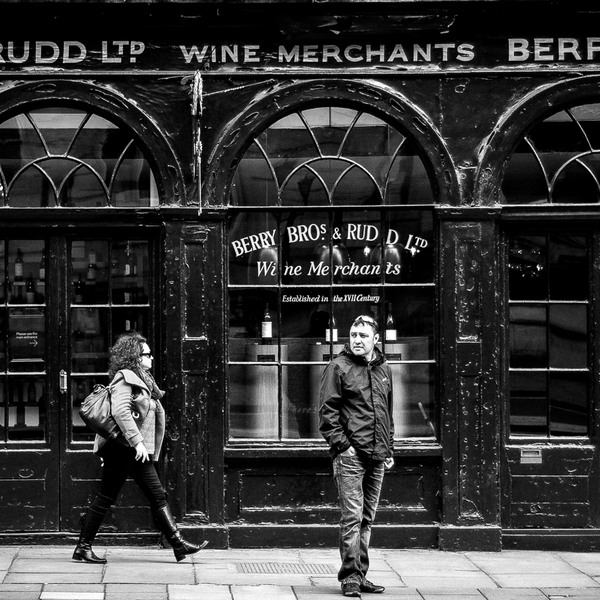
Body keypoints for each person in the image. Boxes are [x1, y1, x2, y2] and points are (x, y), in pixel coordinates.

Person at [73, 331, 207, 564]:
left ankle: (178, 545)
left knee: (157, 495)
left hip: (136, 450)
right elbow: (120, 411)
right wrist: (137, 442)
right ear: (135, 357)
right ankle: (83, 547)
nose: (151, 358)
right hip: (123, 448)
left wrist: (139, 445)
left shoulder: (143, 379)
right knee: (106, 497)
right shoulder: (125, 378)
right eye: (147, 354)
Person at [319, 315, 394, 598]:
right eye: (353, 335)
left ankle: (360, 575)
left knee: (367, 519)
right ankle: (350, 577)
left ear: (376, 339)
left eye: (363, 335)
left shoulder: (384, 368)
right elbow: (327, 414)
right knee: (351, 518)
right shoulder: (338, 367)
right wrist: (343, 446)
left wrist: (389, 448)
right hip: (351, 455)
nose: (357, 340)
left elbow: (387, 411)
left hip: (378, 454)